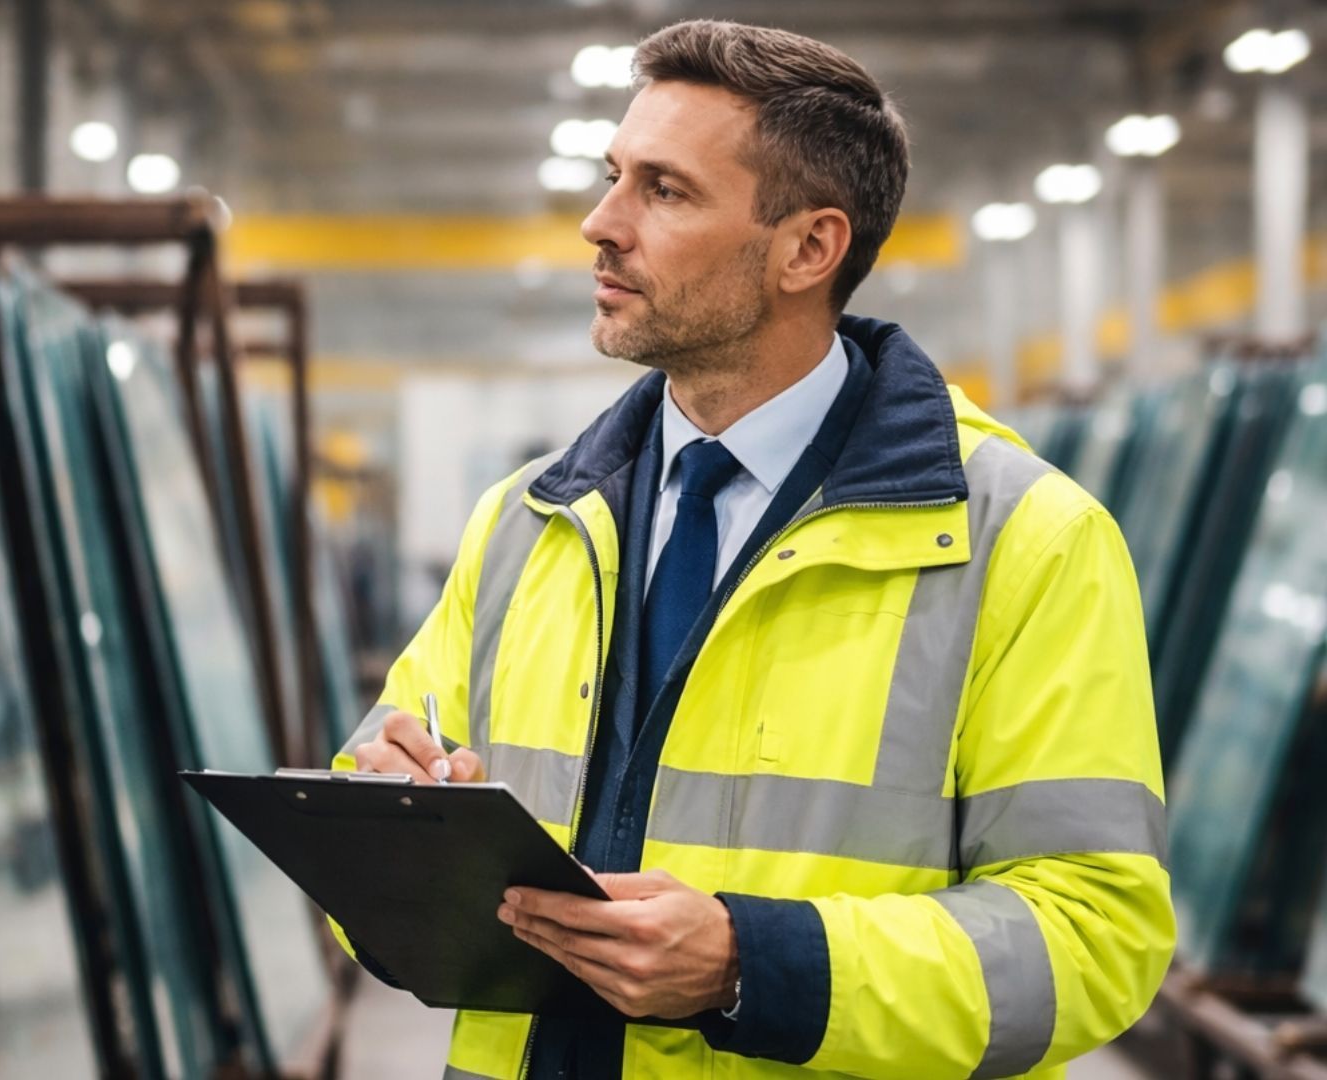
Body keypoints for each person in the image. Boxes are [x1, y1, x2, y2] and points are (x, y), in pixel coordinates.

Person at [333, 17, 1172, 1080]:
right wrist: (393, 822)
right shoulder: (526, 526)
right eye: (612, 177)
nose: (601, 223)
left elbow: (1096, 939)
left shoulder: (1025, 545)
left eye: (664, 191)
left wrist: (755, 965)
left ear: (809, 248)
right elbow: (372, 811)